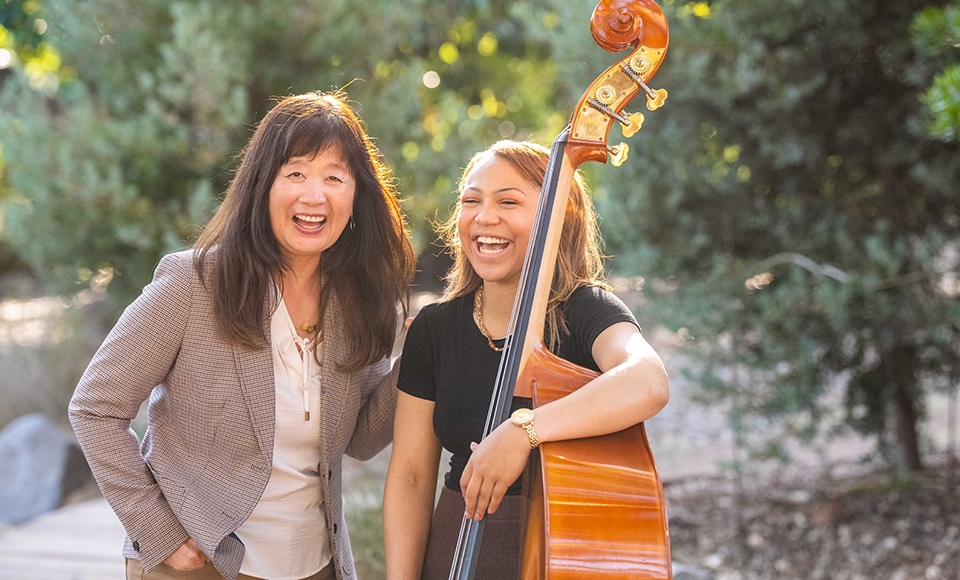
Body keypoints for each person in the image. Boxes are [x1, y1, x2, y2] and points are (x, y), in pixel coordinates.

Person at [69, 91, 416, 580]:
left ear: (356, 196)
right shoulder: (194, 284)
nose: (314, 196)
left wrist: (415, 362)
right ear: (262, 185)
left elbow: (359, 439)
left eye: (334, 178)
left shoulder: (358, 300)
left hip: (316, 564)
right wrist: (158, 530)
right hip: (200, 565)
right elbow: (94, 407)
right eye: (295, 173)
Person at [382, 140, 670, 580]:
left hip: (564, 550)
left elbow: (648, 381)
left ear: (558, 218)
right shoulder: (435, 329)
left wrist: (523, 432)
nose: (484, 217)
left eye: (508, 201)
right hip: (454, 550)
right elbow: (411, 477)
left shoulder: (586, 312)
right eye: (471, 201)